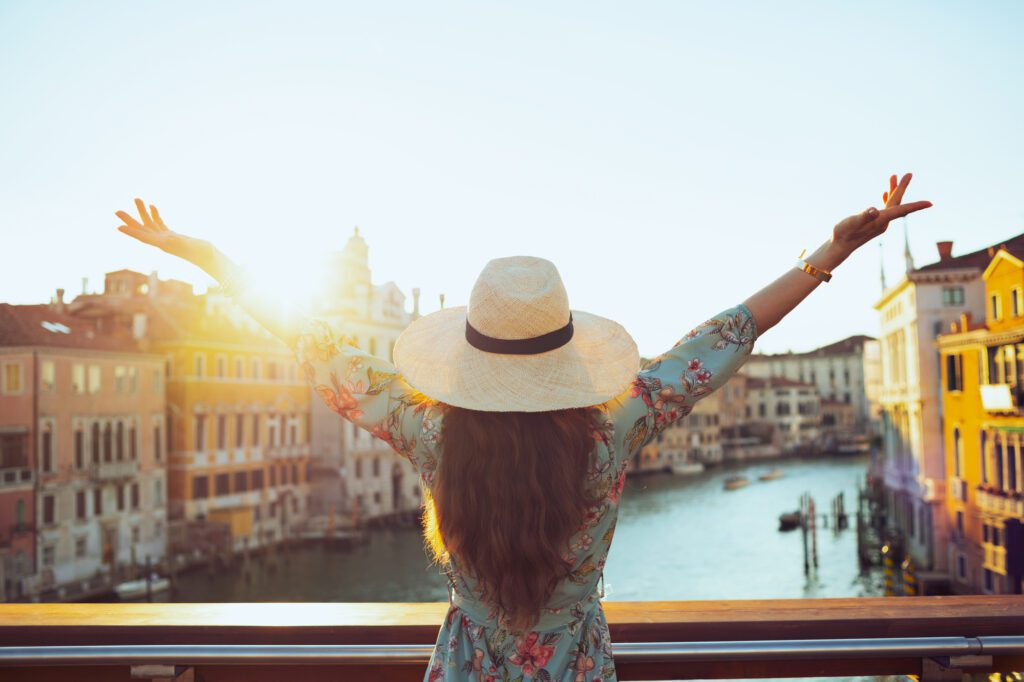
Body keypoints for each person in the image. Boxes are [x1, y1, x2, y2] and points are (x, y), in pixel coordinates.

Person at [115, 173, 931, 681]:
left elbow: (310, 341)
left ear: (468, 357)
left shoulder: (429, 430)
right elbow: (723, 338)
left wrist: (209, 258)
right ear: (564, 353)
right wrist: (831, 254)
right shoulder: (614, 429)